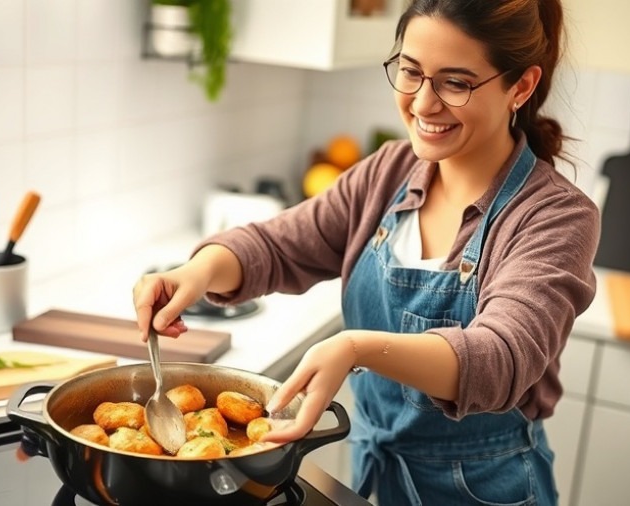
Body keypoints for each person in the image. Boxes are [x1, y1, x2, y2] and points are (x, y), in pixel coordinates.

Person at [132, 0, 599, 503]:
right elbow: (276, 246)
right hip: (377, 474)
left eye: (455, 82)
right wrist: (198, 271)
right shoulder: (387, 173)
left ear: (521, 87)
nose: (422, 105)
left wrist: (356, 347)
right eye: (411, 72)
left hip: (486, 488)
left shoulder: (555, 217)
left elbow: (500, 358)